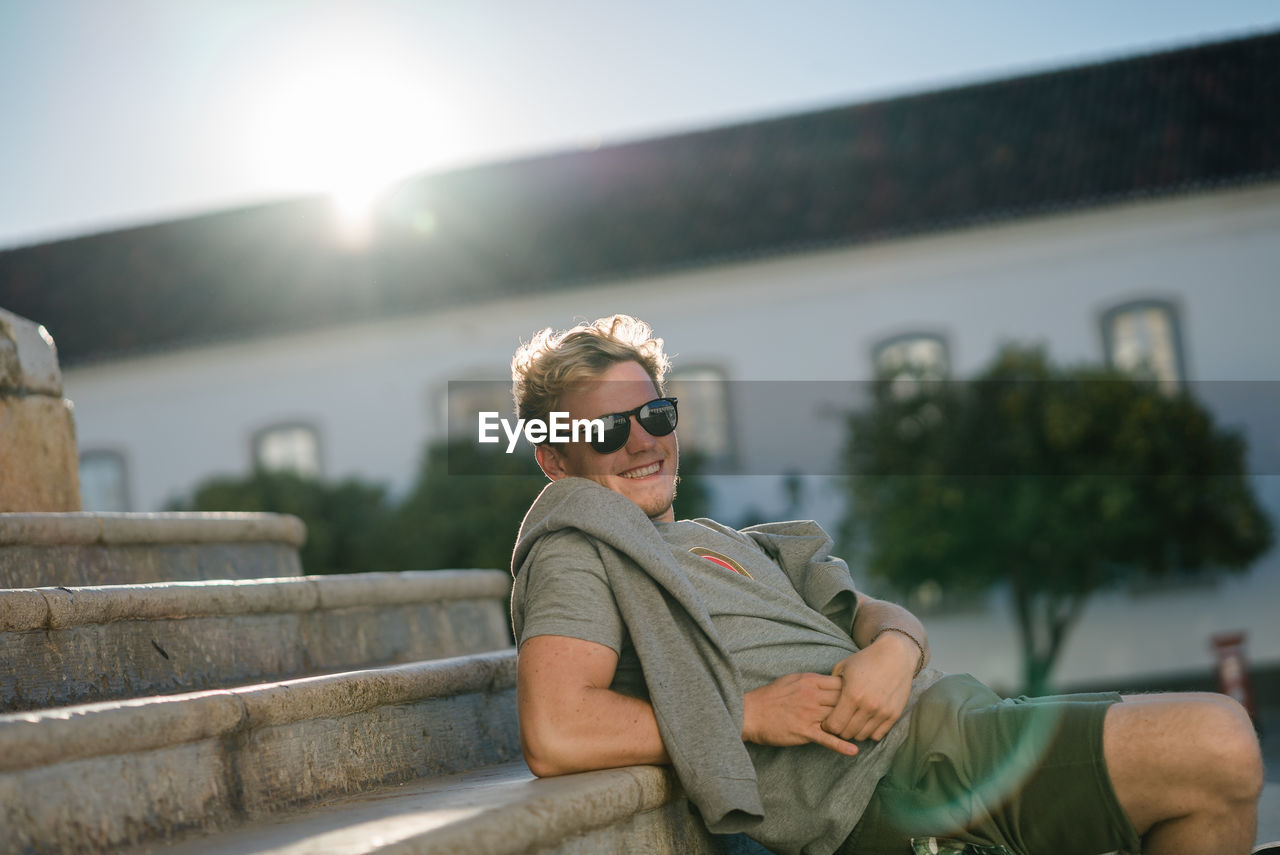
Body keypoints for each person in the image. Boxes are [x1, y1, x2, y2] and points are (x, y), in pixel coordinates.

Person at [507, 314, 1266, 855]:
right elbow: (557, 729)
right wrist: (750, 712)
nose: (643, 439)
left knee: (1214, 777)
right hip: (893, 781)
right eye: (606, 430)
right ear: (553, 458)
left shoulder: (724, 539)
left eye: (655, 413)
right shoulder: (581, 542)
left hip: (950, 721)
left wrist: (896, 647)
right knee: (1218, 745)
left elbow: (878, 613)